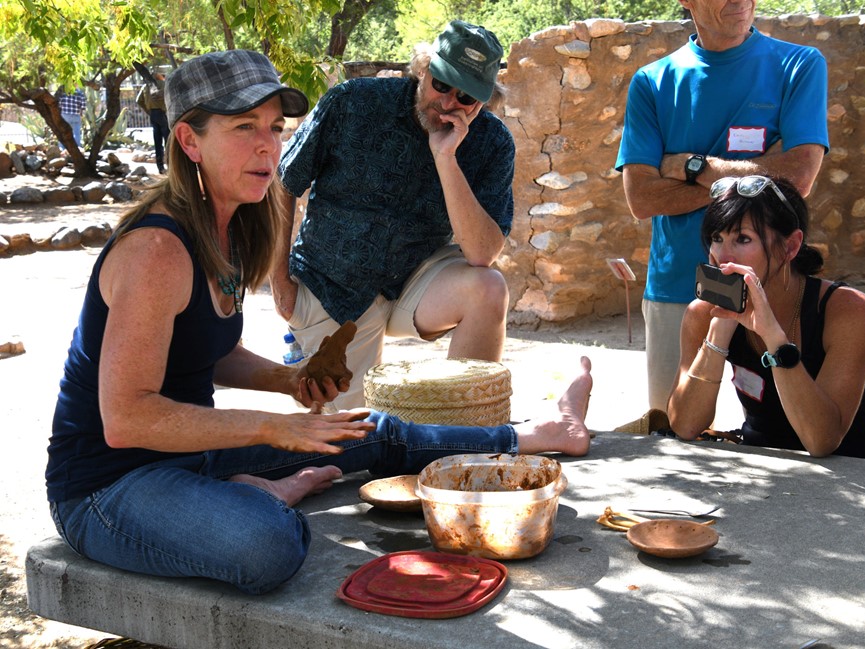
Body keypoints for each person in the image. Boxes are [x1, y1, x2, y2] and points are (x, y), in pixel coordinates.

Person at [45, 48, 594, 596]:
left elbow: (206, 353)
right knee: (268, 545)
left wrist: (291, 380)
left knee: (359, 430)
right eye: (243, 127)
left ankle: (535, 435)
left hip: (189, 454)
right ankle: (261, 493)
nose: (267, 145)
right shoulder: (156, 251)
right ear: (190, 141)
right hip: (109, 486)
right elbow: (126, 419)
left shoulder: (227, 224)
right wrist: (272, 427)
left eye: (274, 127)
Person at [271, 20, 515, 410]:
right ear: (423, 69)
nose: (450, 102)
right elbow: (283, 182)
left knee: (488, 288)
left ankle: (467, 433)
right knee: (348, 444)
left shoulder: (492, 141)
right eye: (441, 84)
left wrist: (446, 158)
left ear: (484, 101)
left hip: (412, 282)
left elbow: (482, 253)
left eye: (466, 96)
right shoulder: (353, 101)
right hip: (332, 282)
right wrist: (280, 284)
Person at [615, 0, 829, 413]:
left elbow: (799, 176)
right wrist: (759, 178)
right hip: (677, 287)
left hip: (777, 292)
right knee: (673, 434)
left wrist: (692, 166)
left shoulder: (799, 64)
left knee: (787, 439)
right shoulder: (653, 82)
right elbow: (641, 199)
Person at [668, 176, 865, 458]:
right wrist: (720, 330)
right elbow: (685, 425)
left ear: (790, 247)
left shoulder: (848, 310)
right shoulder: (703, 314)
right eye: (717, 238)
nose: (722, 256)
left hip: (850, 473)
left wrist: (773, 337)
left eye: (742, 239)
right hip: (761, 469)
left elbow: (821, 440)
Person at [136, 72, 171, 173]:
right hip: (163, 113)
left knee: (157, 141)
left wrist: (148, 111)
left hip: (153, 115)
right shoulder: (163, 85)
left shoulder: (145, 86)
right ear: (159, 77)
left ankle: (160, 167)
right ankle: (170, 166)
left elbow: (138, 100)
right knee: (168, 141)